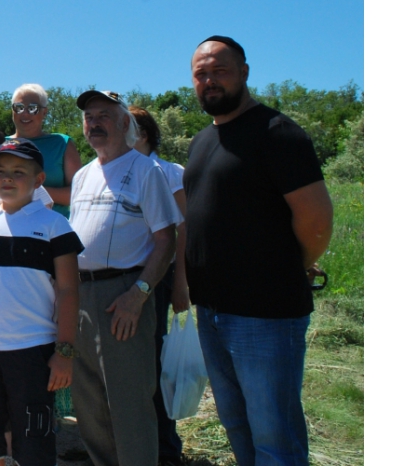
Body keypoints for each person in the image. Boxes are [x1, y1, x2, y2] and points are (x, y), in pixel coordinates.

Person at [184, 36, 333, 466]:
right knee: (237, 424)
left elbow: (316, 222)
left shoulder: (277, 133)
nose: (210, 80)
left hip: (265, 314)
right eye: (201, 73)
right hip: (212, 310)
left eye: (220, 70)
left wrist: (288, 267)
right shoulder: (202, 142)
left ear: (245, 72)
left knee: (274, 436)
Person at [0, 138, 83, 466]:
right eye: (0, 171)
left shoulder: (54, 225)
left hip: (33, 354)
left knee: (34, 446)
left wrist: (64, 352)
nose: (7, 178)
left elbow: (69, 290)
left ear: (39, 180)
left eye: (19, 172)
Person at [68, 89, 183, 466]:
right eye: (89, 117)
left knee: (129, 402)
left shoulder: (146, 170)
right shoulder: (83, 175)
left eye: (104, 115)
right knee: (89, 401)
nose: (94, 123)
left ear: (123, 123)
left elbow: (166, 239)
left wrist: (139, 295)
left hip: (123, 295)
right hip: (81, 296)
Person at [129, 105, 189, 466]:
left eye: (127, 126)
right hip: (120, 279)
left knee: (153, 359)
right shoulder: (113, 170)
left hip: (158, 277)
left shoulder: (169, 172)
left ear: (144, 135)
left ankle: (165, 448)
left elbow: (182, 231)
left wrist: (181, 283)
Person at [9, 83, 82, 217]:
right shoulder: (0, 145)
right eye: (19, 107)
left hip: (54, 226)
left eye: (33, 108)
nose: (25, 113)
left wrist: (30, 190)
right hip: (9, 225)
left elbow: (79, 193)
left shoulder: (62, 143)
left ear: (44, 112)